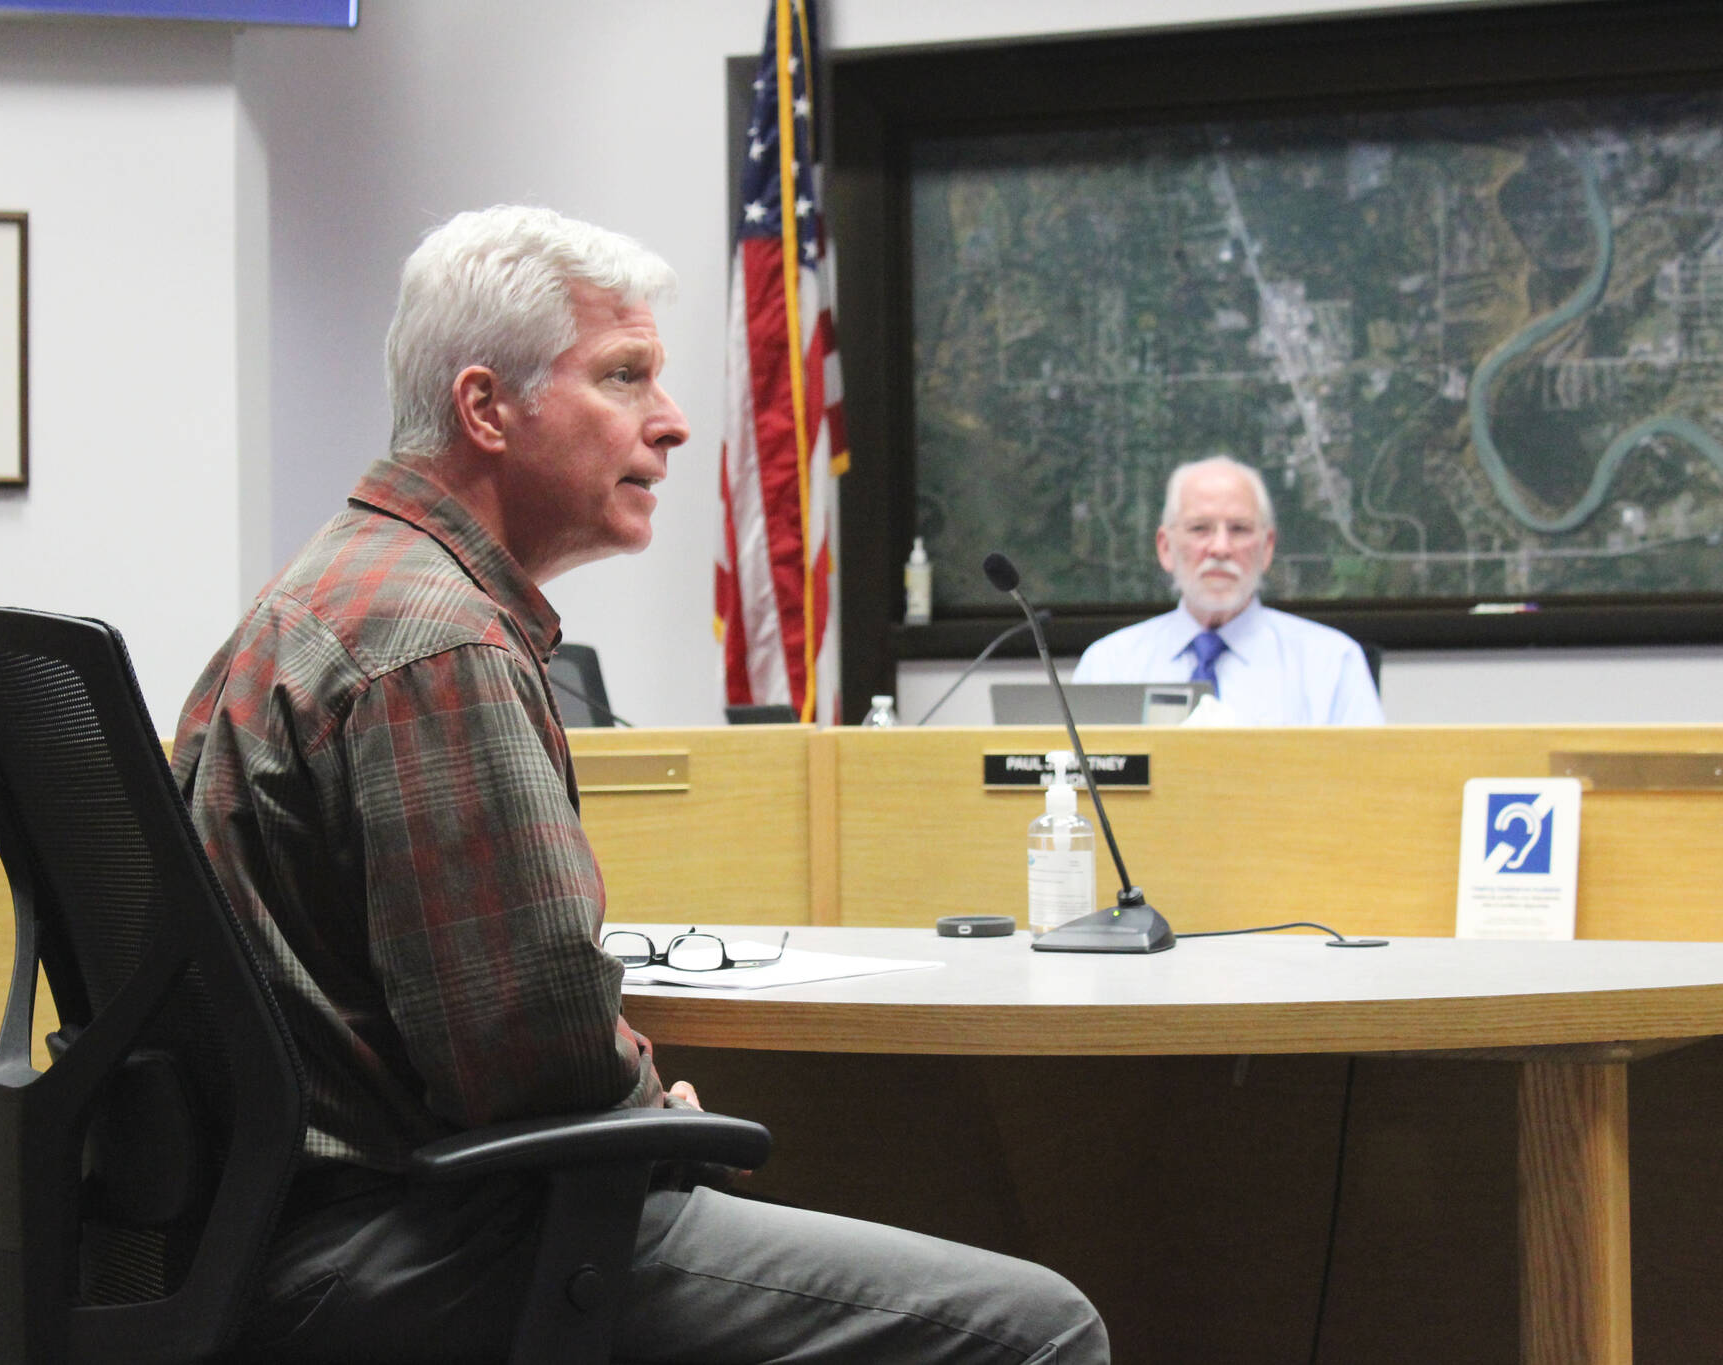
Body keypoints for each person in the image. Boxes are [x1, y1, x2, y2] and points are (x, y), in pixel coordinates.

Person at [173, 205, 1108, 1365]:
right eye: (624, 378)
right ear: (485, 409)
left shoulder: (352, 584)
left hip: (280, 1232)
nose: (669, 426)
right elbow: (528, 1054)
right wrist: (654, 1121)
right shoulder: (436, 643)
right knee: (1037, 1332)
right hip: (397, 1245)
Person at [1073, 456, 1384, 725]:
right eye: (1200, 529)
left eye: (1239, 529)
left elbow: (1369, 785)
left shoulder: (1330, 662)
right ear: (1165, 548)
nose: (1220, 548)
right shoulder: (1108, 665)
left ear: (1267, 548)